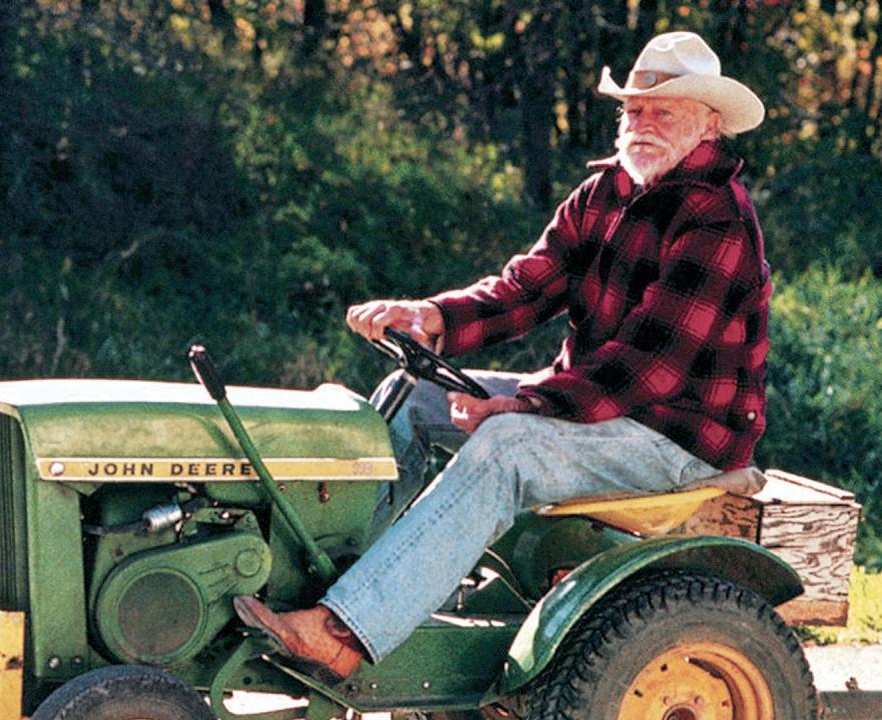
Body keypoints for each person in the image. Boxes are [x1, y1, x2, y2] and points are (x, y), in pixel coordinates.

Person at [234, 31, 771, 683]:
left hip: (676, 436)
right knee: (402, 400)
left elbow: (647, 367)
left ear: (708, 126)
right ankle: (334, 584)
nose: (642, 124)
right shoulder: (603, 193)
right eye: (632, 110)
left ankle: (346, 633)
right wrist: (430, 317)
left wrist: (525, 406)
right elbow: (524, 288)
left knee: (508, 446)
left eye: (663, 111)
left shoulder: (717, 221)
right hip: (598, 409)